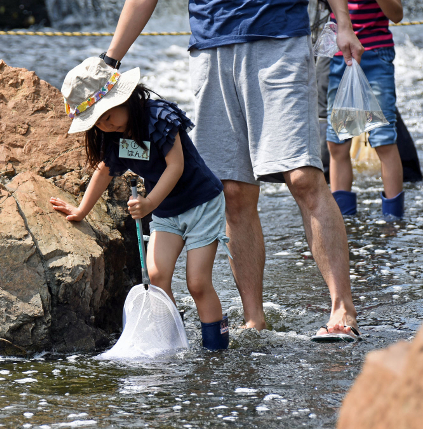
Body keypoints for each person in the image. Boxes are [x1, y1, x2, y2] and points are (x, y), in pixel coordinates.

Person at [99, 0, 365, 341]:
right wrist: (110, 61)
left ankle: (343, 309)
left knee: (303, 177)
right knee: (233, 191)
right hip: (211, 46)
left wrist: (344, 22)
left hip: (279, 36)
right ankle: (254, 319)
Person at [50, 57, 231, 351]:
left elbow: (176, 167)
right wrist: (82, 210)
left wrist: (148, 204)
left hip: (201, 204)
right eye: (97, 121)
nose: (105, 125)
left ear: (126, 97)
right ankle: (176, 342)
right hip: (166, 212)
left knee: (197, 283)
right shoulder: (114, 136)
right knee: (157, 278)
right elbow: (105, 171)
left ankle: (215, 350)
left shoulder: (158, 118)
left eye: (108, 115)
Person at [326, 0, 405, 218]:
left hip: (376, 56)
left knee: (384, 139)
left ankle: (393, 220)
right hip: (341, 56)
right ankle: (343, 220)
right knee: (338, 142)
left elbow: (397, 14)